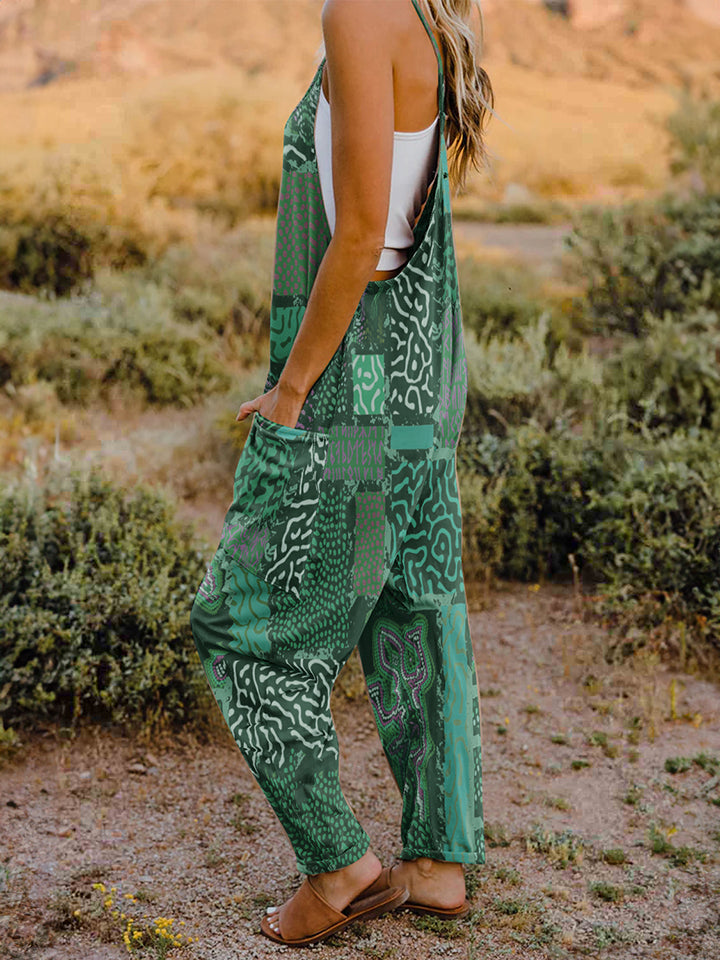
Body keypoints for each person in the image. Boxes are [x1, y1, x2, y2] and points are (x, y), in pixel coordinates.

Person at [190, 0, 495, 947]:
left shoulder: (359, 10)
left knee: (241, 624)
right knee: (414, 603)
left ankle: (339, 867)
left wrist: (290, 392)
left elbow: (362, 230)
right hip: (415, 370)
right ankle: (440, 865)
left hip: (359, 382)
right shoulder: (418, 11)